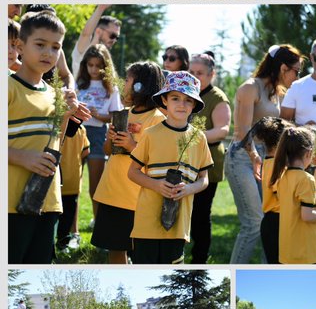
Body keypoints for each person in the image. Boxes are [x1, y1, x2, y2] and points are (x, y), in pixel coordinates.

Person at [8, 11, 89, 263]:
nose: (48, 53)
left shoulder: (55, 94)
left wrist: (66, 115)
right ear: (20, 46)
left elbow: (56, 142)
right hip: (10, 201)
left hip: (48, 200)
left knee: (39, 263)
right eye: (40, 45)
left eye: (55, 47)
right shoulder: (8, 86)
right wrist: (21, 157)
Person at [227, 44, 303, 263]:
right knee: (253, 222)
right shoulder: (250, 87)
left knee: (271, 220)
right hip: (243, 156)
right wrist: (255, 157)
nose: (297, 76)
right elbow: (241, 131)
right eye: (296, 71)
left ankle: (268, 269)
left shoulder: (280, 93)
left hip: (267, 158)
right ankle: (236, 269)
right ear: (282, 68)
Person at [127, 71, 212, 264]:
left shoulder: (198, 138)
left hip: (178, 225)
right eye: (175, 98)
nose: (181, 104)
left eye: (188, 100)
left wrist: (189, 188)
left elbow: (204, 179)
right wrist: (156, 185)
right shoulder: (151, 134)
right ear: (164, 100)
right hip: (146, 224)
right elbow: (132, 172)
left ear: (194, 105)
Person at [91, 61, 165, 263]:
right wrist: (111, 138)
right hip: (112, 193)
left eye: (128, 80)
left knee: (140, 253)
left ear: (140, 86)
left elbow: (158, 161)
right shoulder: (123, 115)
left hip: (136, 199)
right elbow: (108, 151)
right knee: (115, 250)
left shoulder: (158, 120)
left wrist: (132, 146)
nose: (124, 84)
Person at [188, 53, 231, 263]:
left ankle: (199, 259)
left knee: (200, 215)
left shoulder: (217, 97)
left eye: (200, 73)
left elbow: (223, 130)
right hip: (184, 161)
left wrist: (192, 136)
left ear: (211, 74)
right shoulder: (186, 93)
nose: (195, 77)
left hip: (208, 160)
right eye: (191, 72)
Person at [271, 126, 316, 263]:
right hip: (308, 252)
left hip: (287, 252)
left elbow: (296, 209)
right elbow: (307, 215)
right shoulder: (306, 179)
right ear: (308, 153)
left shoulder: (282, 177)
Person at [76, 44, 123, 219]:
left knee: (96, 186)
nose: (94, 69)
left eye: (98, 65)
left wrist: (100, 116)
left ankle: (98, 223)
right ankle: (73, 232)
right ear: (85, 65)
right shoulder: (79, 83)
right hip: (77, 133)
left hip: (98, 135)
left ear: (106, 66)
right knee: (74, 185)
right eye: (90, 65)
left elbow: (116, 117)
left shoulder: (112, 87)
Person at [280, 38, 316, 144]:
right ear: (311, 57)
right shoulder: (297, 86)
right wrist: (304, 129)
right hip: (302, 152)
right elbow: (282, 123)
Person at [251, 116, 291, 264]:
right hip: (277, 223)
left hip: (273, 222)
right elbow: (282, 193)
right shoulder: (277, 166)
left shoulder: (269, 163)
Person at [56, 124, 90, 250]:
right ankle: (63, 242)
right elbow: (86, 151)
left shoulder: (56, 126)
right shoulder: (81, 129)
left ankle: (52, 242)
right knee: (69, 213)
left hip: (55, 179)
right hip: (73, 179)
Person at [71, 6, 119, 76]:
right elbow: (85, 34)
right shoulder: (83, 51)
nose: (114, 40)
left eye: (117, 37)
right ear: (98, 31)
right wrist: (101, 8)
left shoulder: (107, 58)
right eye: (112, 35)